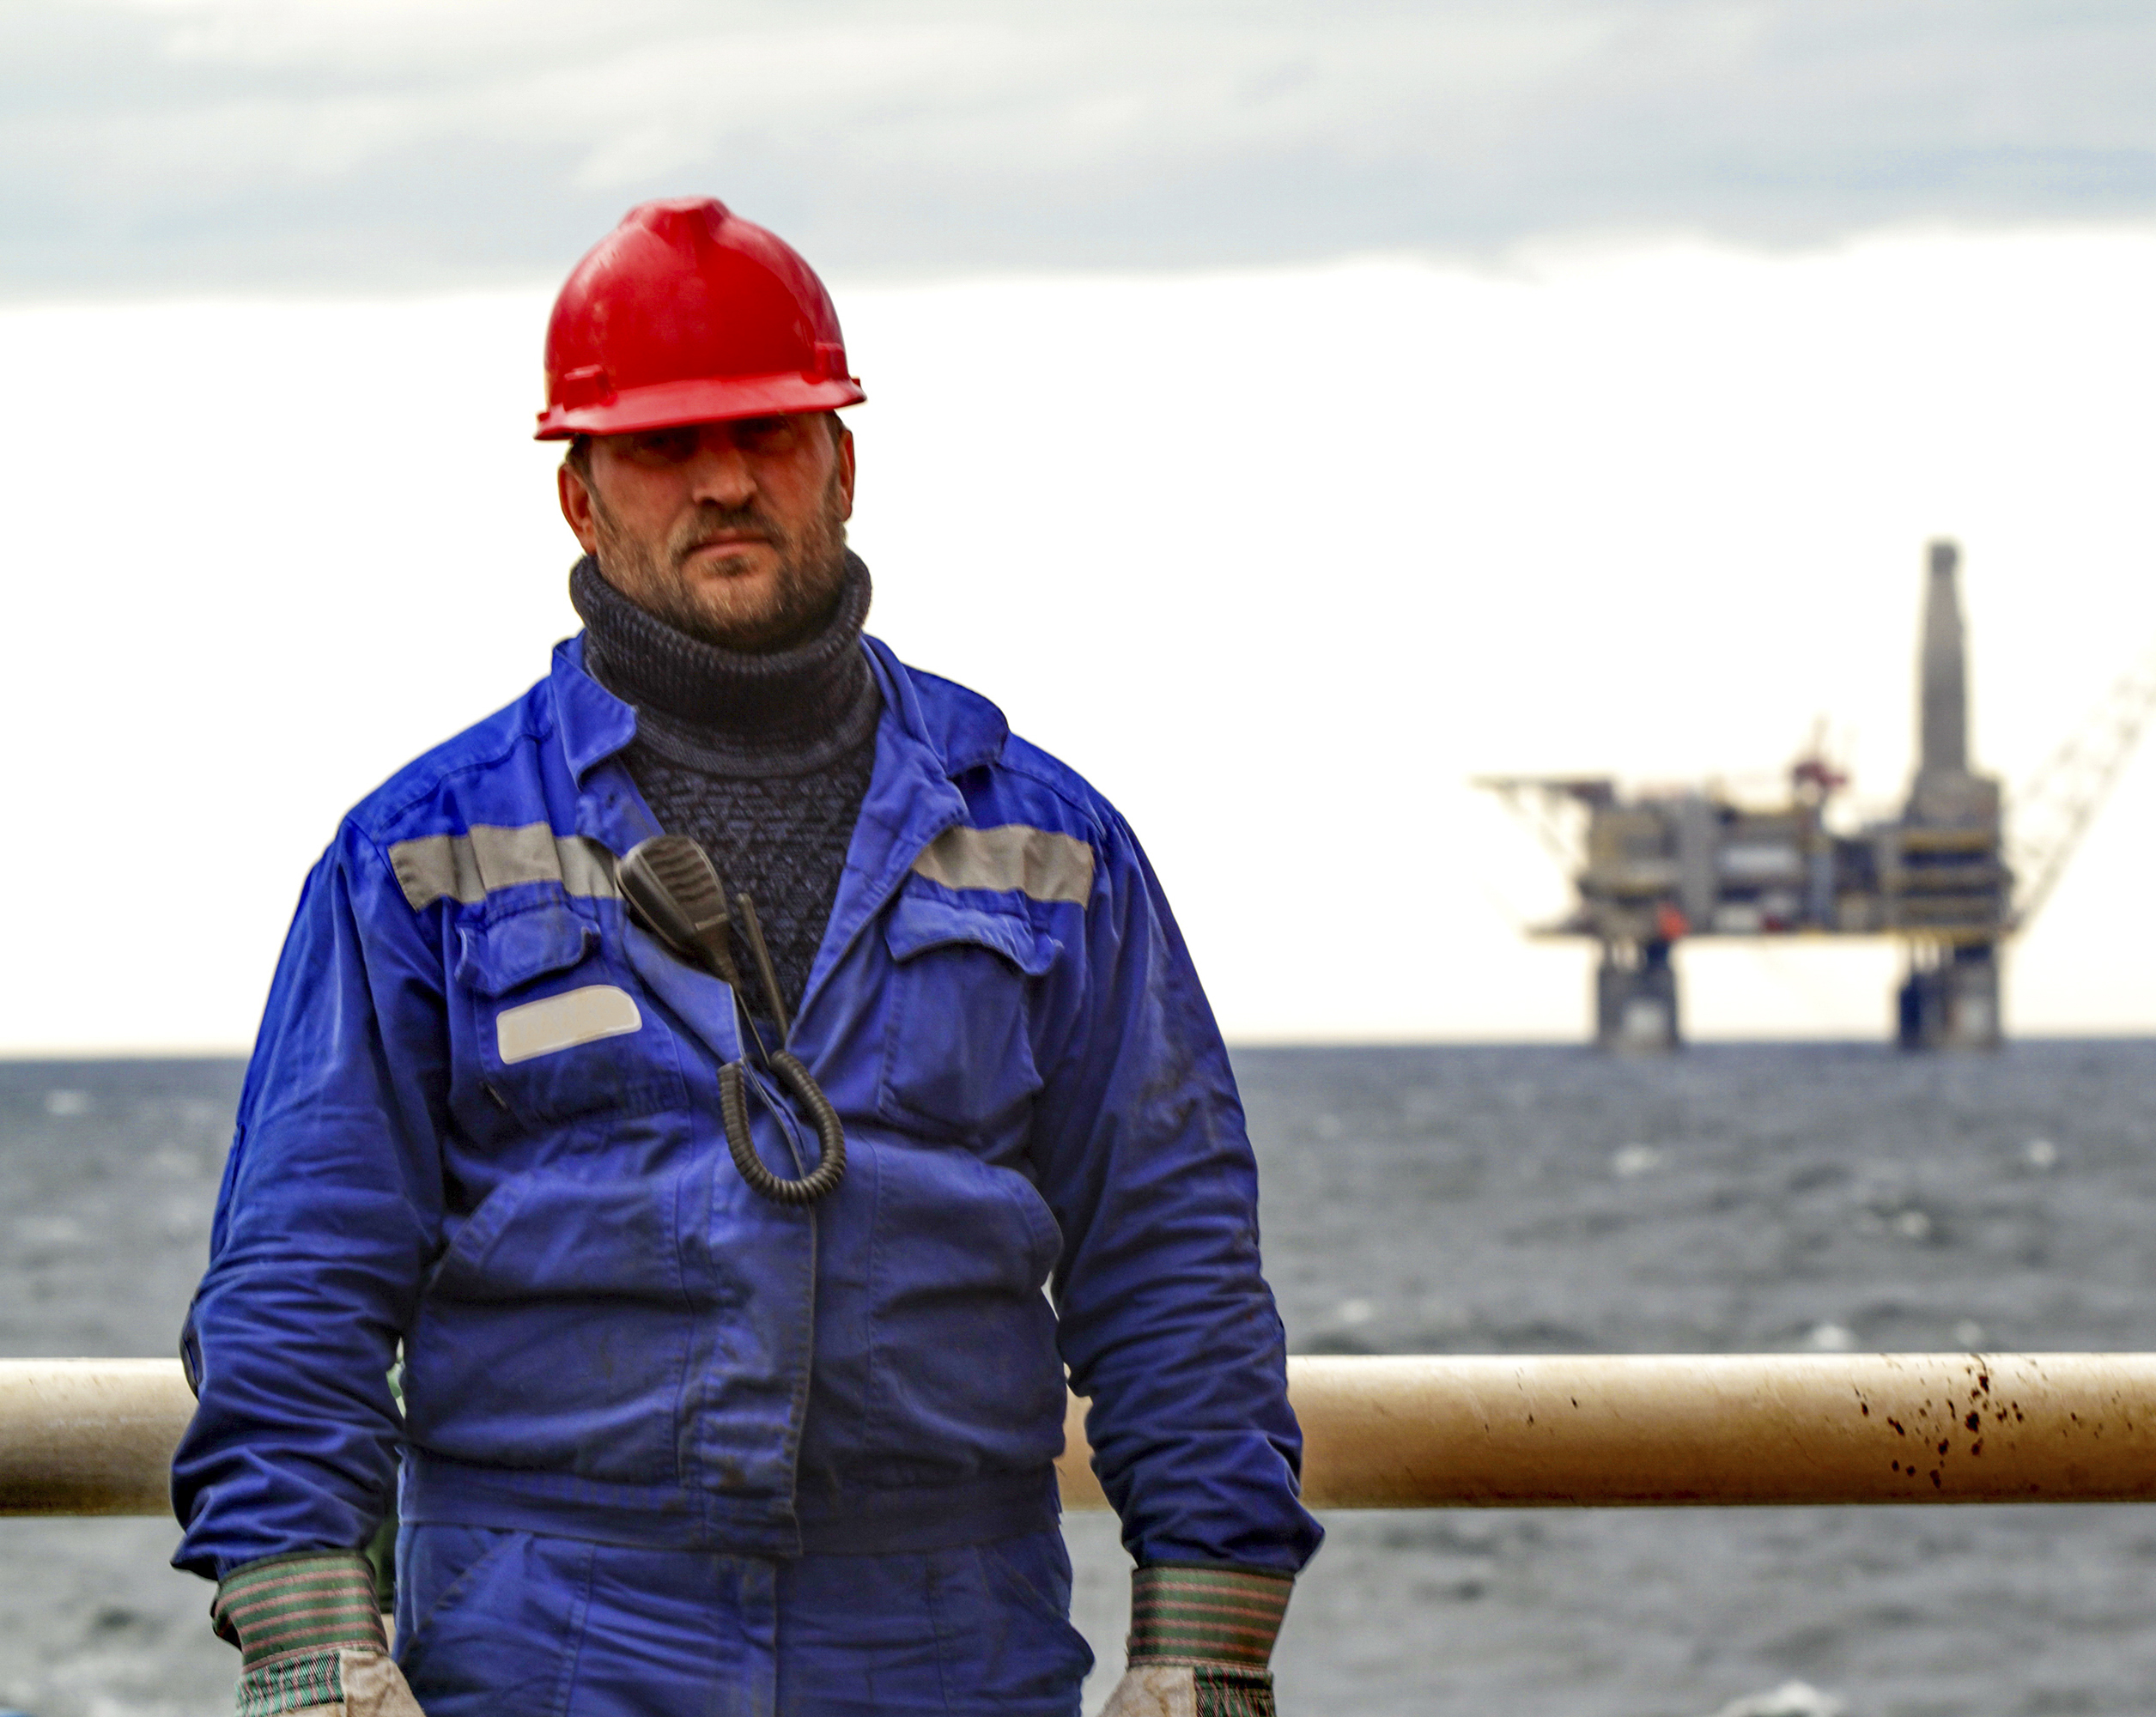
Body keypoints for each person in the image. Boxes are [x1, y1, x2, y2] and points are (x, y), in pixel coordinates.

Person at [170, 197, 1321, 1717]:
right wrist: (311, 1650)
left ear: (843, 465)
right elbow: (302, 1270)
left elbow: (1170, 1258)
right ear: (580, 502)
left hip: (947, 1636)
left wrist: (1209, 1646)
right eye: (662, 445)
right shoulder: (421, 852)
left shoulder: (1053, 846)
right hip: (549, 1642)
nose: (724, 479)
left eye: (770, 433)